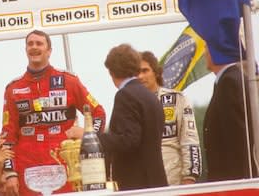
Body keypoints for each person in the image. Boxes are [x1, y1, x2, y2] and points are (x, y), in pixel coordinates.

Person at [1, 30, 106, 195]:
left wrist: (87, 135)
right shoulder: (13, 89)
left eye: (39, 43)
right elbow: (8, 137)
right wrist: (10, 173)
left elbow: (98, 113)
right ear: (25, 49)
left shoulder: (69, 81)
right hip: (28, 171)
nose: (34, 47)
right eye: (30, 44)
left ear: (49, 50)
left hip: (64, 167)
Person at [99, 44, 167, 191]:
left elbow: (128, 140)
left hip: (136, 183)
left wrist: (92, 137)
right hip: (156, 180)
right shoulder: (150, 95)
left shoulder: (125, 96)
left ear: (111, 71)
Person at [138, 51, 202, 185]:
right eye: (136, 72)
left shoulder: (177, 99)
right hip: (143, 182)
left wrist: (190, 176)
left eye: (145, 71)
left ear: (156, 72)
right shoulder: (130, 104)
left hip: (174, 180)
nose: (140, 76)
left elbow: (190, 140)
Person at [203, 46, 257, 181]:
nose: (204, 54)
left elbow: (237, 138)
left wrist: (237, 184)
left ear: (216, 51)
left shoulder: (229, 82)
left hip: (232, 179)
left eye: (206, 49)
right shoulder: (229, 79)